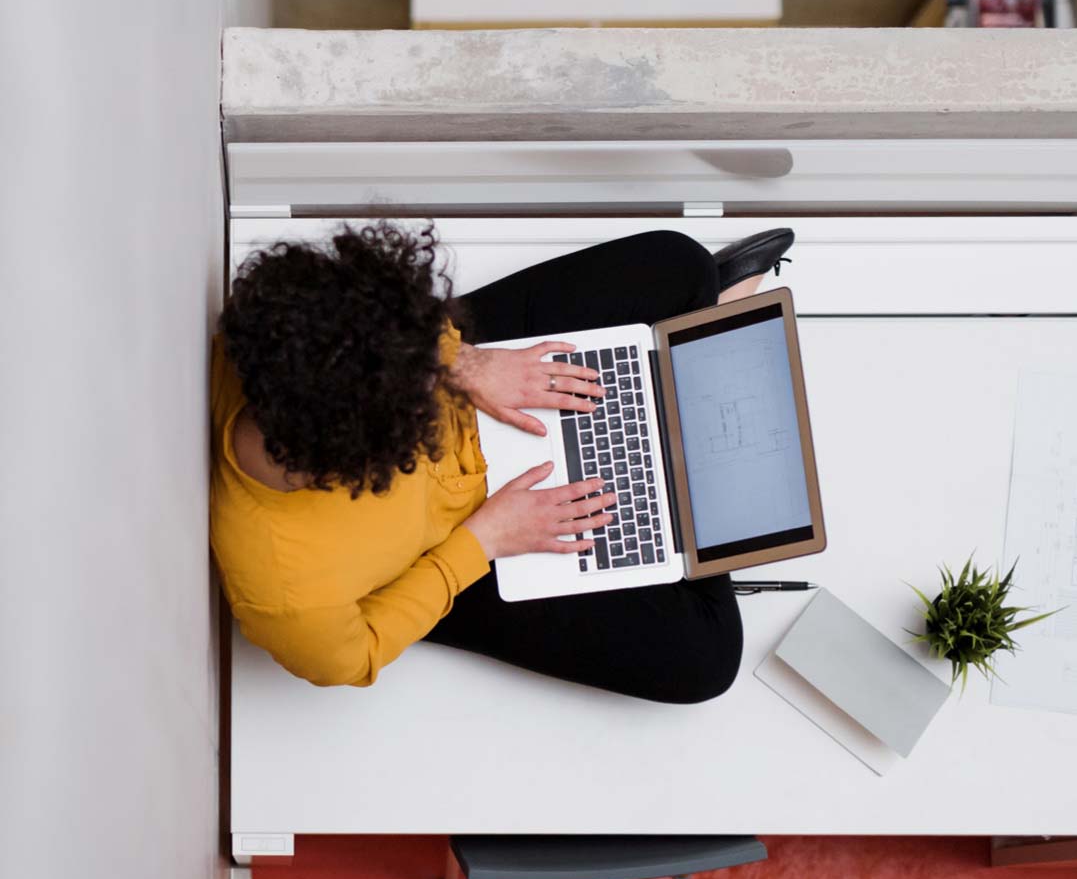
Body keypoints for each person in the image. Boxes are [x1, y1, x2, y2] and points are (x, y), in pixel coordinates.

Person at [210, 223, 794, 703]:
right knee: (705, 661)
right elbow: (355, 654)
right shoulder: (290, 599)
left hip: (448, 385)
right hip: (463, 545)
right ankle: (685, 509)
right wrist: (482, 542)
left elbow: (381, 321)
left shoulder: (279, 335)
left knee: (677, 263)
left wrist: (462, 363)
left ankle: (666, 442)